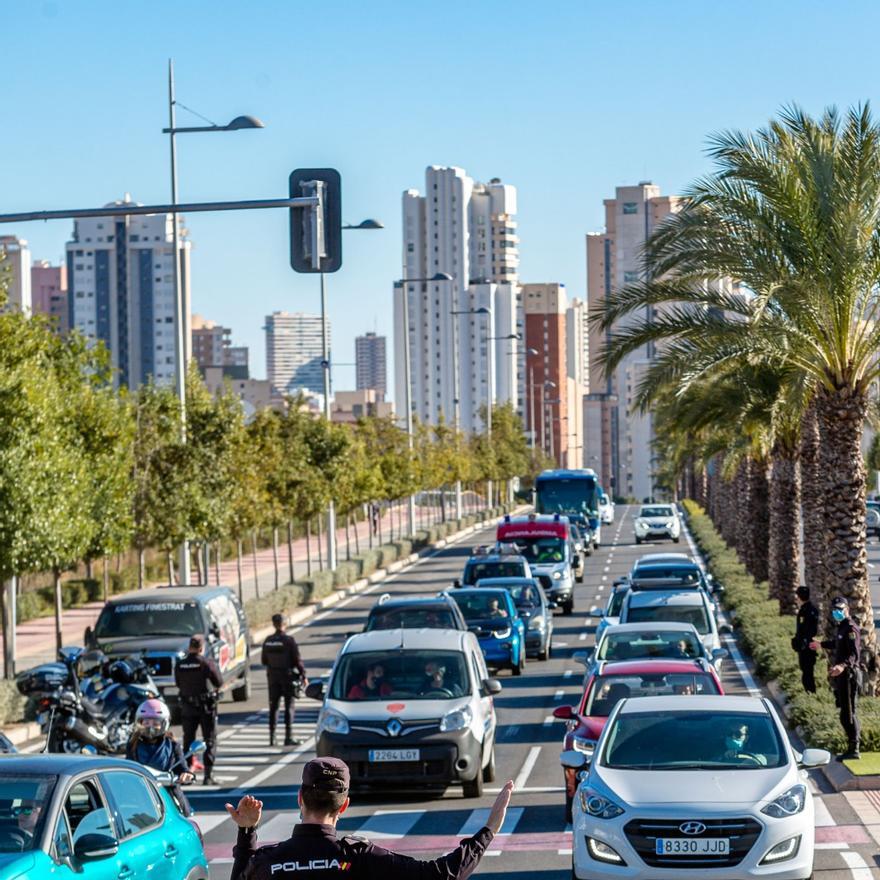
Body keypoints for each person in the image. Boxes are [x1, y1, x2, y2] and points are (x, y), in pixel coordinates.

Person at [225, 757, 514, 880]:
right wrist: (488, 831)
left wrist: (247, 831)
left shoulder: (268, 862)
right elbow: (441, 874)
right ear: (345, 805)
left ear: (300, 798)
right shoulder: (360, 858)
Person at [811, 595, 861, 760]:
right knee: (844, 712)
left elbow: (854, 654)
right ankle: (852, 745)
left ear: (847, 609)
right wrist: (821, 644)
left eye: (840, 609)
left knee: (848, 713)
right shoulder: (842, 627)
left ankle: (854, 748)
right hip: (842, 675)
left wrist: (842, 666)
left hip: (848, 674)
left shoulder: (851, 629)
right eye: (835, 610)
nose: (837, 612)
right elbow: (837, 644)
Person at [126, 699, 194, 814]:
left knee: (181, 819)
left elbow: (183, 768)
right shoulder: (133, 744)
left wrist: (186, 775)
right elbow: (128, 768)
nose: (150, 726)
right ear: (139, 723)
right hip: (142, 797)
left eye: (155, 723)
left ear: (164, 723)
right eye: (146, 722)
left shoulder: (172, 745)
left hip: (169, 795)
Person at [175, 634, 223, 785]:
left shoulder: (180, 664)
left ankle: (187, 771)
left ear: (190, 647)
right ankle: (208, 776)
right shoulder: (206, 663)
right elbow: (218, 681)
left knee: (188, 739)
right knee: (209, 740)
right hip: (205, 707)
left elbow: (178, 683)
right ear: (201, 648)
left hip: (187, 707)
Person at [261, 614, 308, 747]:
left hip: (272, 677)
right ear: (284, 624)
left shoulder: (268, 640)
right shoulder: (288, 641)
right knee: (289, 707)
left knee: (273, 707)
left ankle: (272, 737)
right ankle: (288, 737)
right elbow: (297, 660)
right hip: (287, 677)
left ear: (273, 624)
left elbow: (264, 660)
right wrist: (303, 675)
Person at [791, 586, 819, 693]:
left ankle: (810, 694)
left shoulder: (805, 611)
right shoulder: (810, 609)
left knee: (807, 673)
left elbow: (805, 630)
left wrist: (801, 642)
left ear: (799, 597)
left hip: (806, 647)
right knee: (807, 672)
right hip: (807, 646)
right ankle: (810, 693)